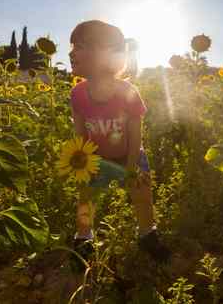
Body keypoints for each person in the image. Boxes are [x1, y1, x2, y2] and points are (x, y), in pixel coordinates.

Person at [69, 20, 170, 269]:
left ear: (103, 53)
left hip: (129, 154)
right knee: (86, 198)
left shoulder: (127, 91)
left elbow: (136, 134)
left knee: (142, 195)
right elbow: (80, 132)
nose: (70, 53)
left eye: (78, 46)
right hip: (97, 158)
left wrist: (132, 167)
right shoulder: (78, 94)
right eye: (71, 47)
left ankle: (147, 233)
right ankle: (84, 238)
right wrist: (83, 162)